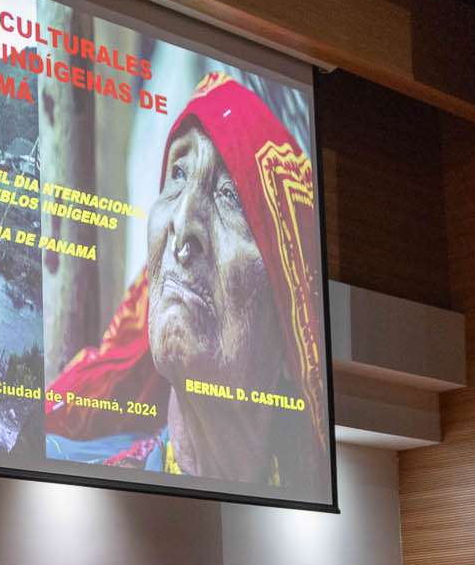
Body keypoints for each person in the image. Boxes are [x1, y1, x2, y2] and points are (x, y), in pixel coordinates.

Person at [44, 74, 329, 498]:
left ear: (291, 335)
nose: (182, 223)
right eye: (177, 173)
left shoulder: (308, 504)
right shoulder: (60, 474)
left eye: (232, 196)